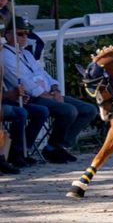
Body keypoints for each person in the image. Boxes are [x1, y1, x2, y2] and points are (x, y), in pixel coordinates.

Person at [2, 17, 97, 162]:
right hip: (31, 97)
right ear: (8, 35)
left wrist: (55, 89)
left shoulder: (26, 54)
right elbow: (23, 82)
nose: (25, 37)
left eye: (27, 34)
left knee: (89, 109)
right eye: (20, 34)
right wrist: (47, 95)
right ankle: (50, 148)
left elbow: (43, 74)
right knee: (68, 110)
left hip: (50, 94)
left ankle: (58, 146)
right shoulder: (5, 55)